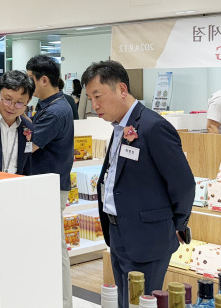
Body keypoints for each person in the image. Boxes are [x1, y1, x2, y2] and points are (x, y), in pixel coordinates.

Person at [83, 60, 194, 308]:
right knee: (126, 302)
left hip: (149, 237)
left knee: (143, 303)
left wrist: (178, 224)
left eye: (98, 95)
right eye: (90, 98)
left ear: (122, 89)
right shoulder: (120, 128)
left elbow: (184, 183)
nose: (95, 105)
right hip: (118, 232)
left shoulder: (154, 127)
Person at [26, 55, 74, 308]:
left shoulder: (55, 111)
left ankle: (63, 302)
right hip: (45, 186)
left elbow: (29, 146)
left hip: (49, 189)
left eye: (30, 79)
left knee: (56, 249)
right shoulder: (51, 104)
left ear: (44, 80)